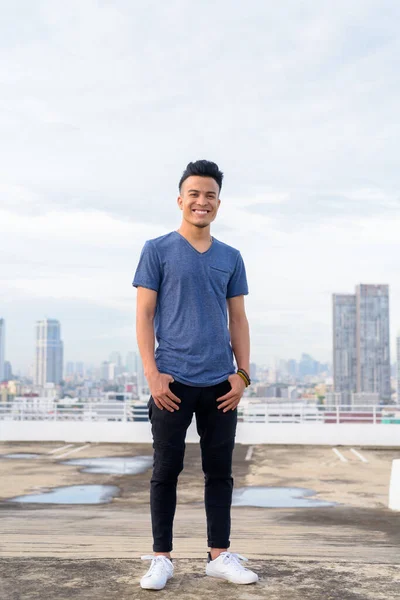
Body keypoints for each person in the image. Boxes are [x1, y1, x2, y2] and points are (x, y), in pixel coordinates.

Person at [132, 159, 258, 590]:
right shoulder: (157, 249)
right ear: (180, 200)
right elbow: (144, 315)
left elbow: (238, 320)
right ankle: (161, 558)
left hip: (220, 382)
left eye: (209, 195)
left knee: (219, 472)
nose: (201, 201)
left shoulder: (231, 257)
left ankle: (219, 555)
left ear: (218, 203)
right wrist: (152, 373)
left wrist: (242, 375)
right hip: (172, 380)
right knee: (165, 470)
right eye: (194, 194)